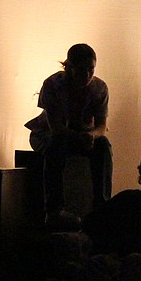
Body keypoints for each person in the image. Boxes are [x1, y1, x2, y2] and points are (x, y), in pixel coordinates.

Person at [25, 43, 112, 230]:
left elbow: (101, 126)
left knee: (104, 146)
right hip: (47, 134)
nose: (87, 75)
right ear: (69, 67)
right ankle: (54, 210)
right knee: (56, 146)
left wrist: (91, 135)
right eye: (82, 70)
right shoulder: (53, 85)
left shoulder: (100, 88)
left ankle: (102, 206)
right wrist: (81, 136)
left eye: (91, 69)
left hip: (81, 136)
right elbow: (55, 128)